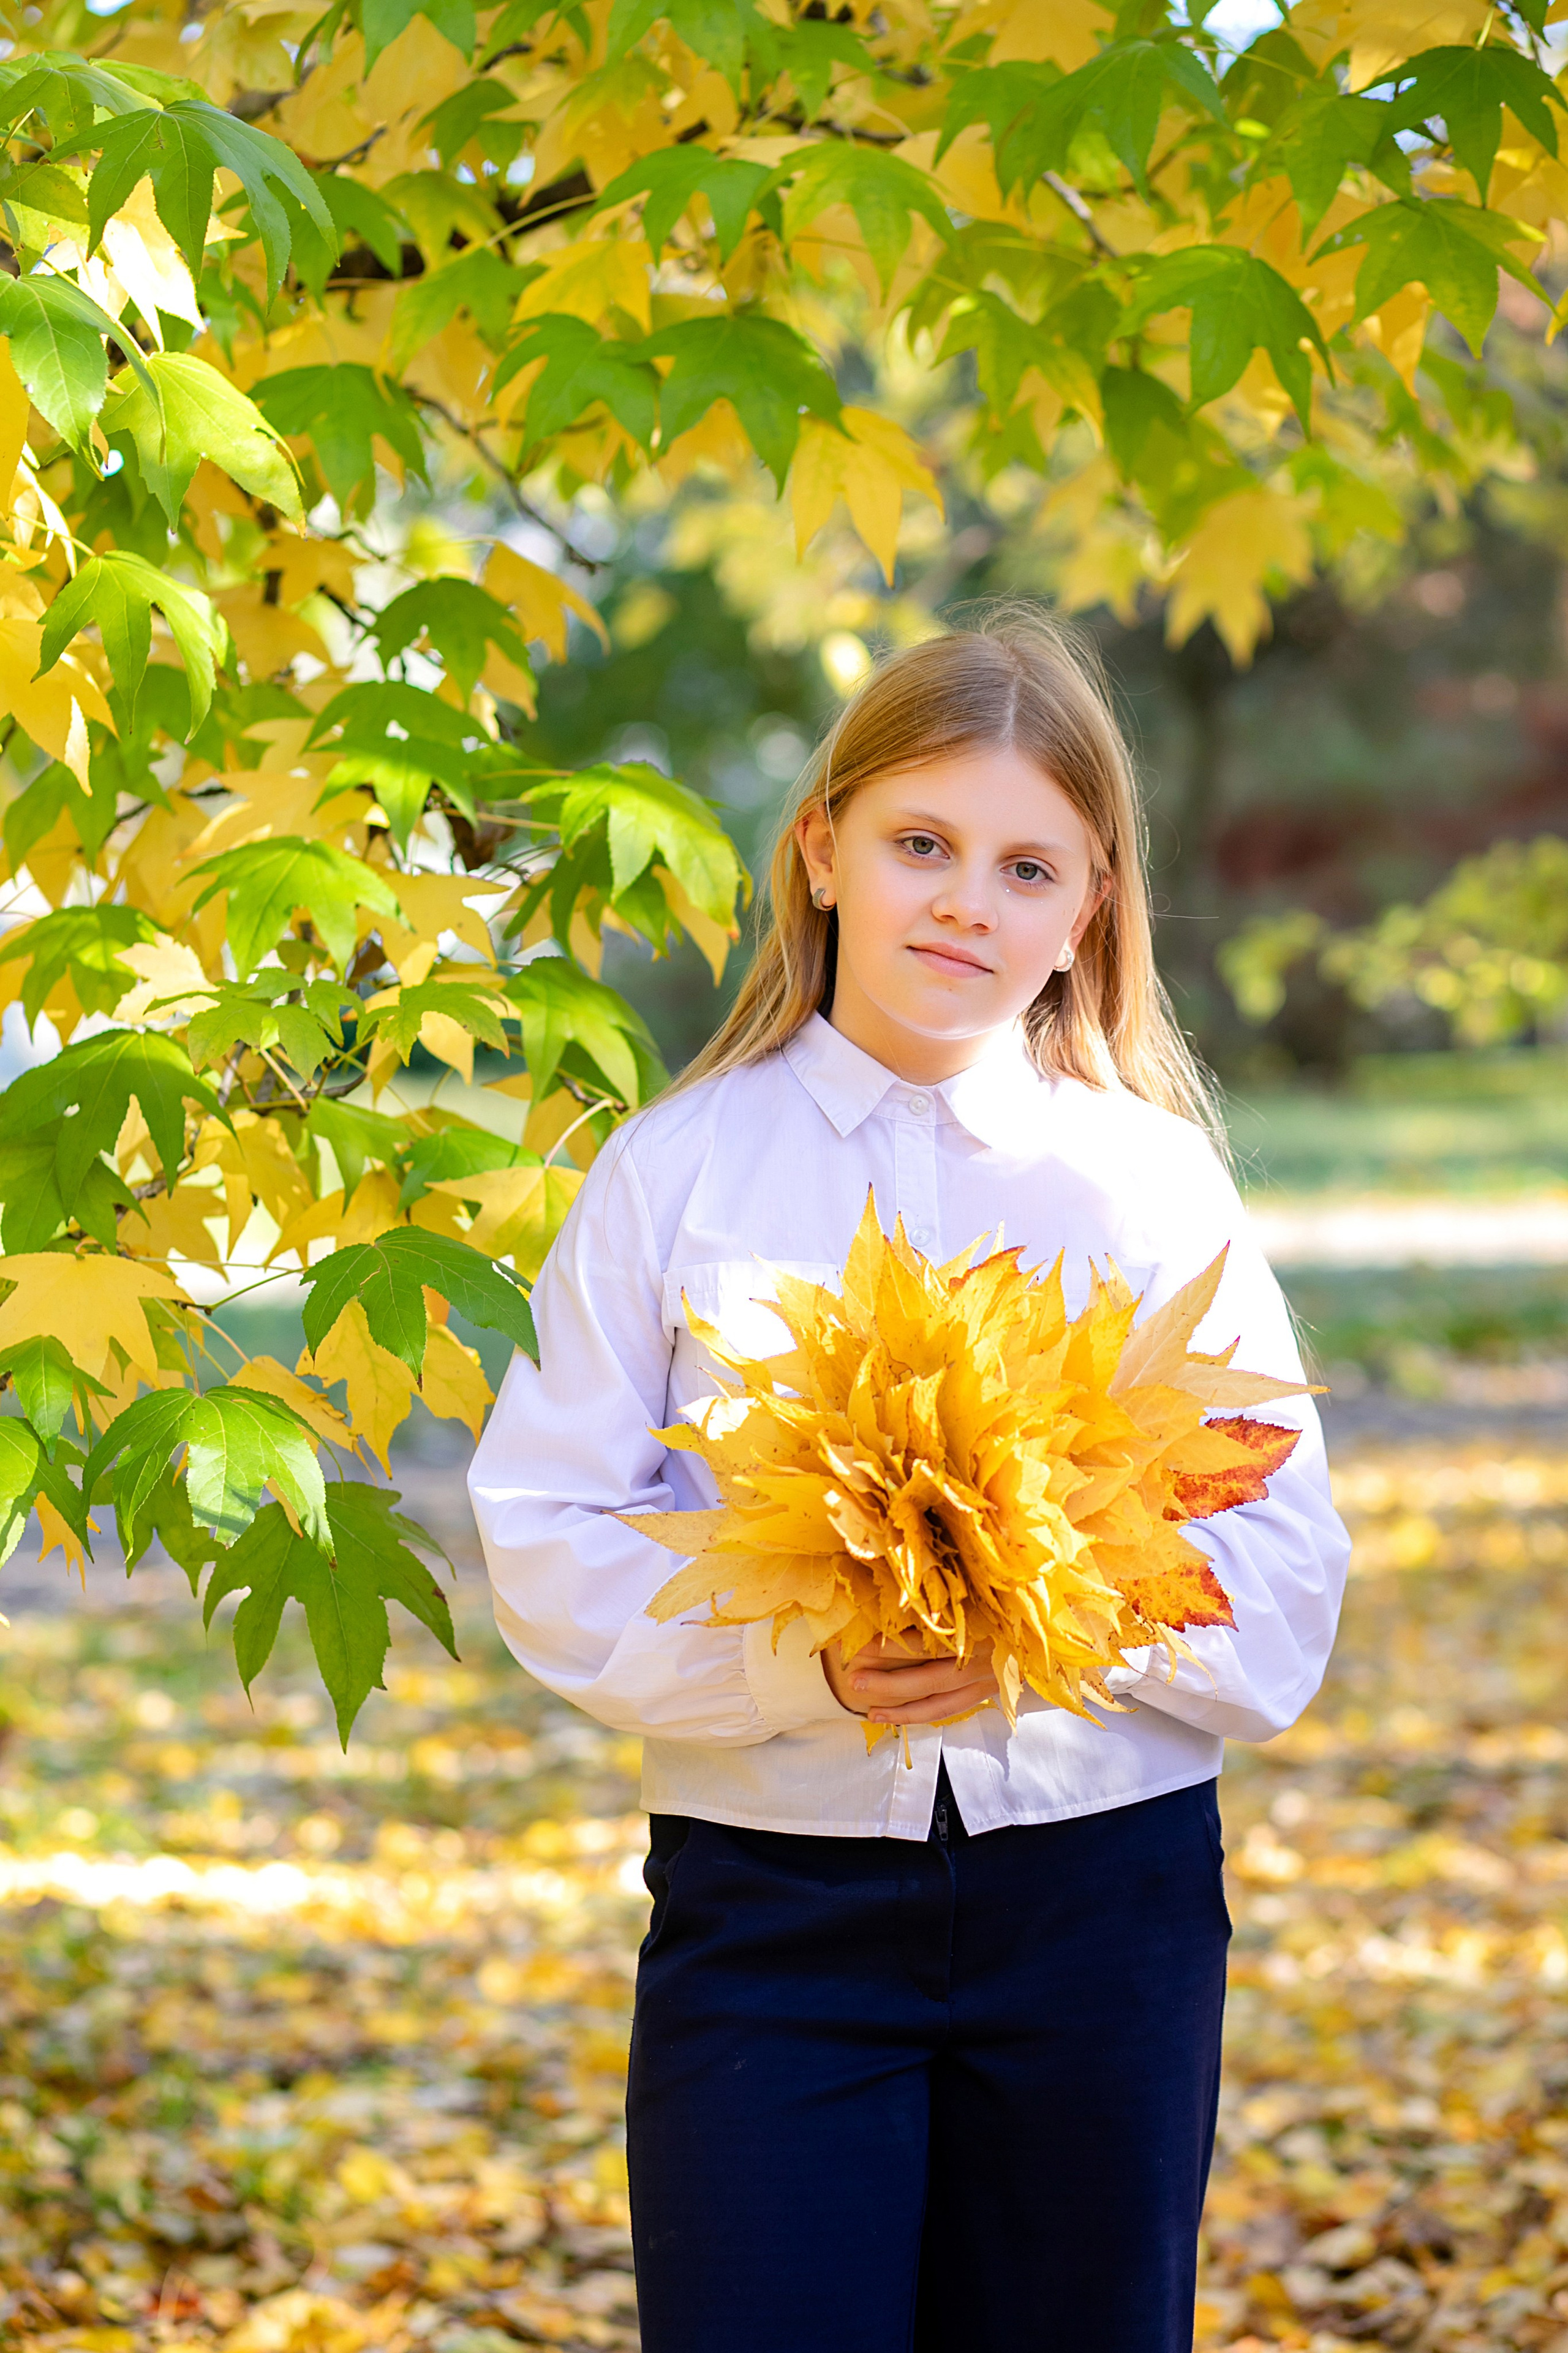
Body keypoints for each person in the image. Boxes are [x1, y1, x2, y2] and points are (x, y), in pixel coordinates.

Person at [468, 611, 1349, 2353]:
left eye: (1028, 866)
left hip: (1104, 1908)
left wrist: (1059, 1618)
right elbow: (544, 1534)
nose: (967, 902)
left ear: (1088, 906)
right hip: (773, 1912)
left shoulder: (1151, 1191)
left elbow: (1284, 1586)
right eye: (922, 844)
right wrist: (794, 1655)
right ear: (825, 849)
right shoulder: (676, 1173)